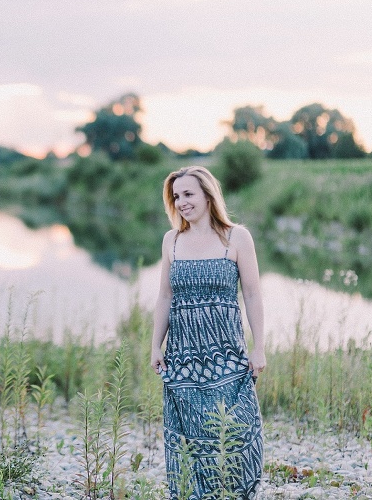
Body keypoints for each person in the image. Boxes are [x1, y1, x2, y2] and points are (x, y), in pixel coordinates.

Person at [150, 165, 265, 499]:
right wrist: (155, 345)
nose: (182, 202)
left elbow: (253, 295)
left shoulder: (236, 237)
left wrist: (259, 348)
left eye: (189, 194)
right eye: (176, 196)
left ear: (207, 195)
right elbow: (165, 296)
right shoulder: (171, 240)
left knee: (239, 430)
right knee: (189, 436)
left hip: (228, 353)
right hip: (183, 357)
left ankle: (238, 493)